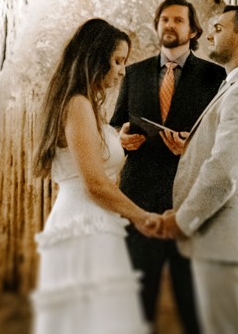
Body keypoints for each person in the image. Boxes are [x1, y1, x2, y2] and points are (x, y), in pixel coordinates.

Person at [31, 17, 160, 334]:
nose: (122, 71)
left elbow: (87, 157)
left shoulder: (80, 103)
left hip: (89, 223)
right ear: (95, 57)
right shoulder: (77, 105)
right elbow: (95, 184)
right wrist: (142, 217)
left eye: (124, 62)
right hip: (85, 225)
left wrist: (117, 141)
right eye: (117, 61)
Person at [159, 5, 238, 334]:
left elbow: (224, 172)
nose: (210, 34)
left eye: (219, 28)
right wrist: (192, 147)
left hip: (230, 238)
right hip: (225, 240)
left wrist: (182, 221)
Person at [110, 0, 224, 332]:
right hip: (138, 197)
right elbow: (118, 122)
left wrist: (193, 148)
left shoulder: (214, 75)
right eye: (163, 20)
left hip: (189, 198)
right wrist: (122, 137)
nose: (169, 26)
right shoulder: (134, 72)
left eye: (177, 20)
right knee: (138, 297)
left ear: (193, 31)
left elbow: (221, 136)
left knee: (194, 298)